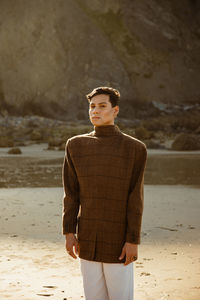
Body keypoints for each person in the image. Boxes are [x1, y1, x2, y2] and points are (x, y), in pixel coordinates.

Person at [62, 87, 147, 300]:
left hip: (119, 240)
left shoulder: (134, 149)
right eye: (92, 106)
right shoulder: (75, 145)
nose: (95, 111)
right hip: (87, 238)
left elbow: (135, 198)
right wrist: (69, 232)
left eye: (102, 106)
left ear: (115, 110)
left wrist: (133, 240)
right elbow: (71, 194)